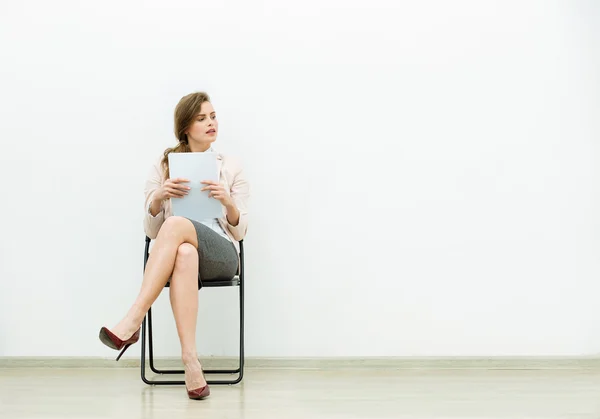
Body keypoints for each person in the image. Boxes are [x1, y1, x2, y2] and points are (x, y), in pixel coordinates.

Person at [98, 92, 249, 400]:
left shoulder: (231, 166)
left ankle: (132, 320)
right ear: (185, 127)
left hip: (220, 254)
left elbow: (241, 229)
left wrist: (226, 201)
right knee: (183, 250)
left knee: (177, 225)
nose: (211, 123)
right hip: (179, 254)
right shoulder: (163, 165)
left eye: (213, 116)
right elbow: (151, 230)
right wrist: (159, 197)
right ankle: (191, 363)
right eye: (201, 118)